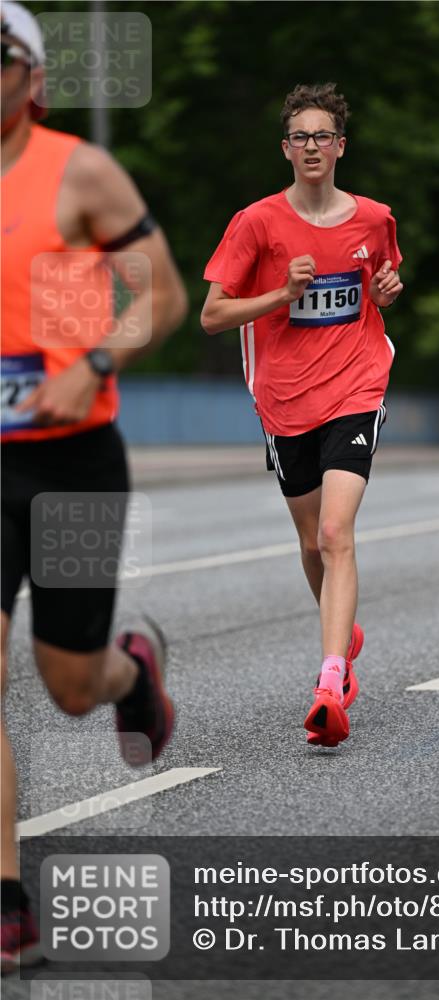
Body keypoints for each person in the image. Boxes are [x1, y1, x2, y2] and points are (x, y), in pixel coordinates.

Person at [0, 1, 188, 973]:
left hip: (72, 462)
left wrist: (96, 363)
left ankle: (130, 676)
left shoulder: (78, 172)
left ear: (33, 78)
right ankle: (7, 900)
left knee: (70, 687)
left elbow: (164, 293)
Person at [202, 82, 403, 748]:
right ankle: (342, 631)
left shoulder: (374, 219)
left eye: (322, 136)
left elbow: (382, 283)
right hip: (284, 399)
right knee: (313, 542)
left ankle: (330, 681)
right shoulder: (256, 223)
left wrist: (386, 291)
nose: (311, 146)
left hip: (356, 387)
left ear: (340, 146)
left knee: (337, 533)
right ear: (285, 149)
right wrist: (280, 294)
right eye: (299, 137)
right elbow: (212, 315)